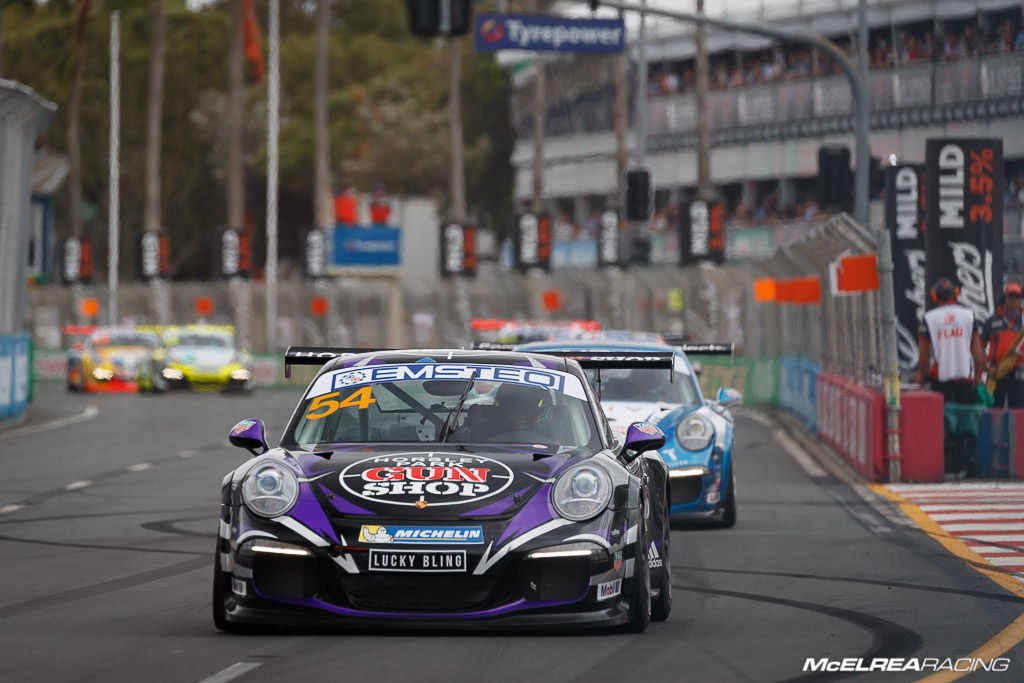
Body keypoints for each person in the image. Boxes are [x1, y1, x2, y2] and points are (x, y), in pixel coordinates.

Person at [915, 277, 985, 404]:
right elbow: (977, 353)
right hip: (965, 377)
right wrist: (978, 376)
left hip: (939, 378)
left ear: (934, 296)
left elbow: (924, 353)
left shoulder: (929, 318)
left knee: (943, 416)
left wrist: (922, 375)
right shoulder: (969, 316)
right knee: (965, 415)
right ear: (956, 293)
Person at [981, 281, 1024, 408]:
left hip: (1019, 372)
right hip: (996, 372)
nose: (1013, 299)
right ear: (1004, 299)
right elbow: (980, 347)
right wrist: (987, 366)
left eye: (1017, 296)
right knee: (993, 409)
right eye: (1010, 296)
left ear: (1021, 299)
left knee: (1019, 411)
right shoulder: (992, 321)